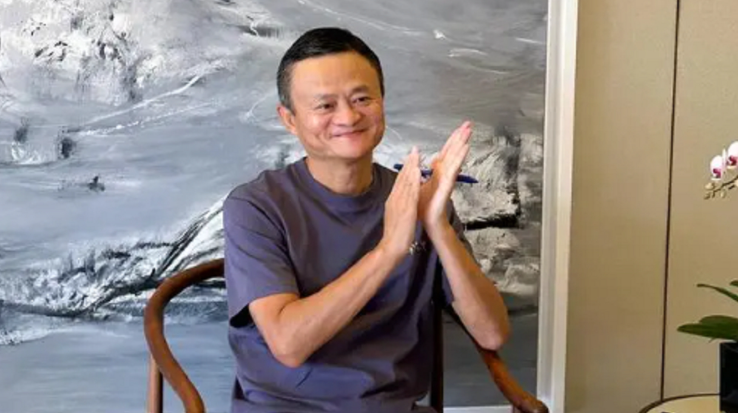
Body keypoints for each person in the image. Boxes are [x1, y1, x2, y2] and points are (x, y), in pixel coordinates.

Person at [222, 27, 510, 413]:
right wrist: (390, 249)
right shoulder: (255, 206)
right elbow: (289, 345)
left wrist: (438, 226)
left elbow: (491, 333)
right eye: (325, 105)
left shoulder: (419, 197)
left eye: (362, 98)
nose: (348, 116)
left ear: (382, 102)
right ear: (289, 119)